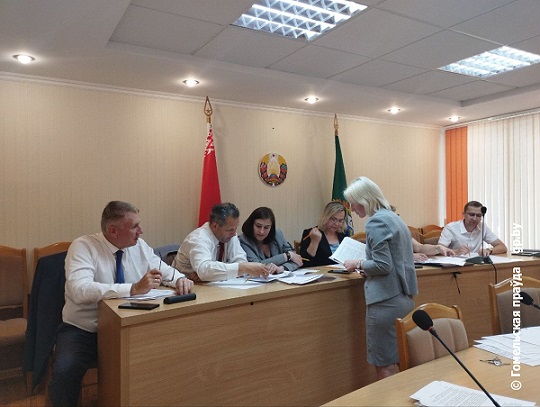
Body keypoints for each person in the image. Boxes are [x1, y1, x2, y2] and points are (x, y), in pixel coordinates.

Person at [49, 201, 193, 406]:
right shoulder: (83, 246)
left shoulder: (139, 246)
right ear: (113, 231)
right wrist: (132, 289)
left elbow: (165, 271)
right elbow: (79, 290)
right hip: (85, 330)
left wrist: (180, 279)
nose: (141, 231)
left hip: (129, 327)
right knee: (66, 371)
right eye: (135, 226)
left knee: (164, 357)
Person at [343, 176, 418, 381]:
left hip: (385, 301)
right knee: (400, 360)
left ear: (365, 200)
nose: (352, 208)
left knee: (384, 364)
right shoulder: (393, 217)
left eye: (353, 203)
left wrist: (358, 263)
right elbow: (394, 260)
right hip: (403, 297)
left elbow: (383, 265)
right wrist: (368, 268)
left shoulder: (376, 222)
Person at [172, 203, 276, 282]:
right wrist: (241, 268)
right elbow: (205, 270)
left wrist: (216, 273)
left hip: (212, 286)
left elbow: (240, 259)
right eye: (230, 229)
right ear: (215, 225)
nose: (234, 233)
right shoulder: (198, 238)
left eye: (235, 228)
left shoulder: (230, 235)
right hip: (186, 287)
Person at [238, 207, 303, 272]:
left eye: (266, 227)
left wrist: (282, 268)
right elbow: (257, 266)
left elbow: (297, 259)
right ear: (251, 224)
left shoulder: (277, 234)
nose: (262, 231)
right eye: (258, 226)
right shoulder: (243, 240)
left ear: (271, 228)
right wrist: (286, 256)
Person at [438, 201, 507, 256]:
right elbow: (439, 250)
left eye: (478, 215)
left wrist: (489, 250)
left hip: (476, 265)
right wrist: (457, 251)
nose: (474, 218)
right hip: (455, 265)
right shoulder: (451, 228)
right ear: (464, 214)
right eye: (471, 215)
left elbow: (502, 247)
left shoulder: (482, 227)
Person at [300, 201, 347, 267]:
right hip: (320, 272)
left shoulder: (343, 234)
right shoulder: (311, 233)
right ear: (326, 217)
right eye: (333, 219)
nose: (336, 224)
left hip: (343, 272)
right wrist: (314, 242)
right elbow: (305, 262)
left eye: (340, 220)